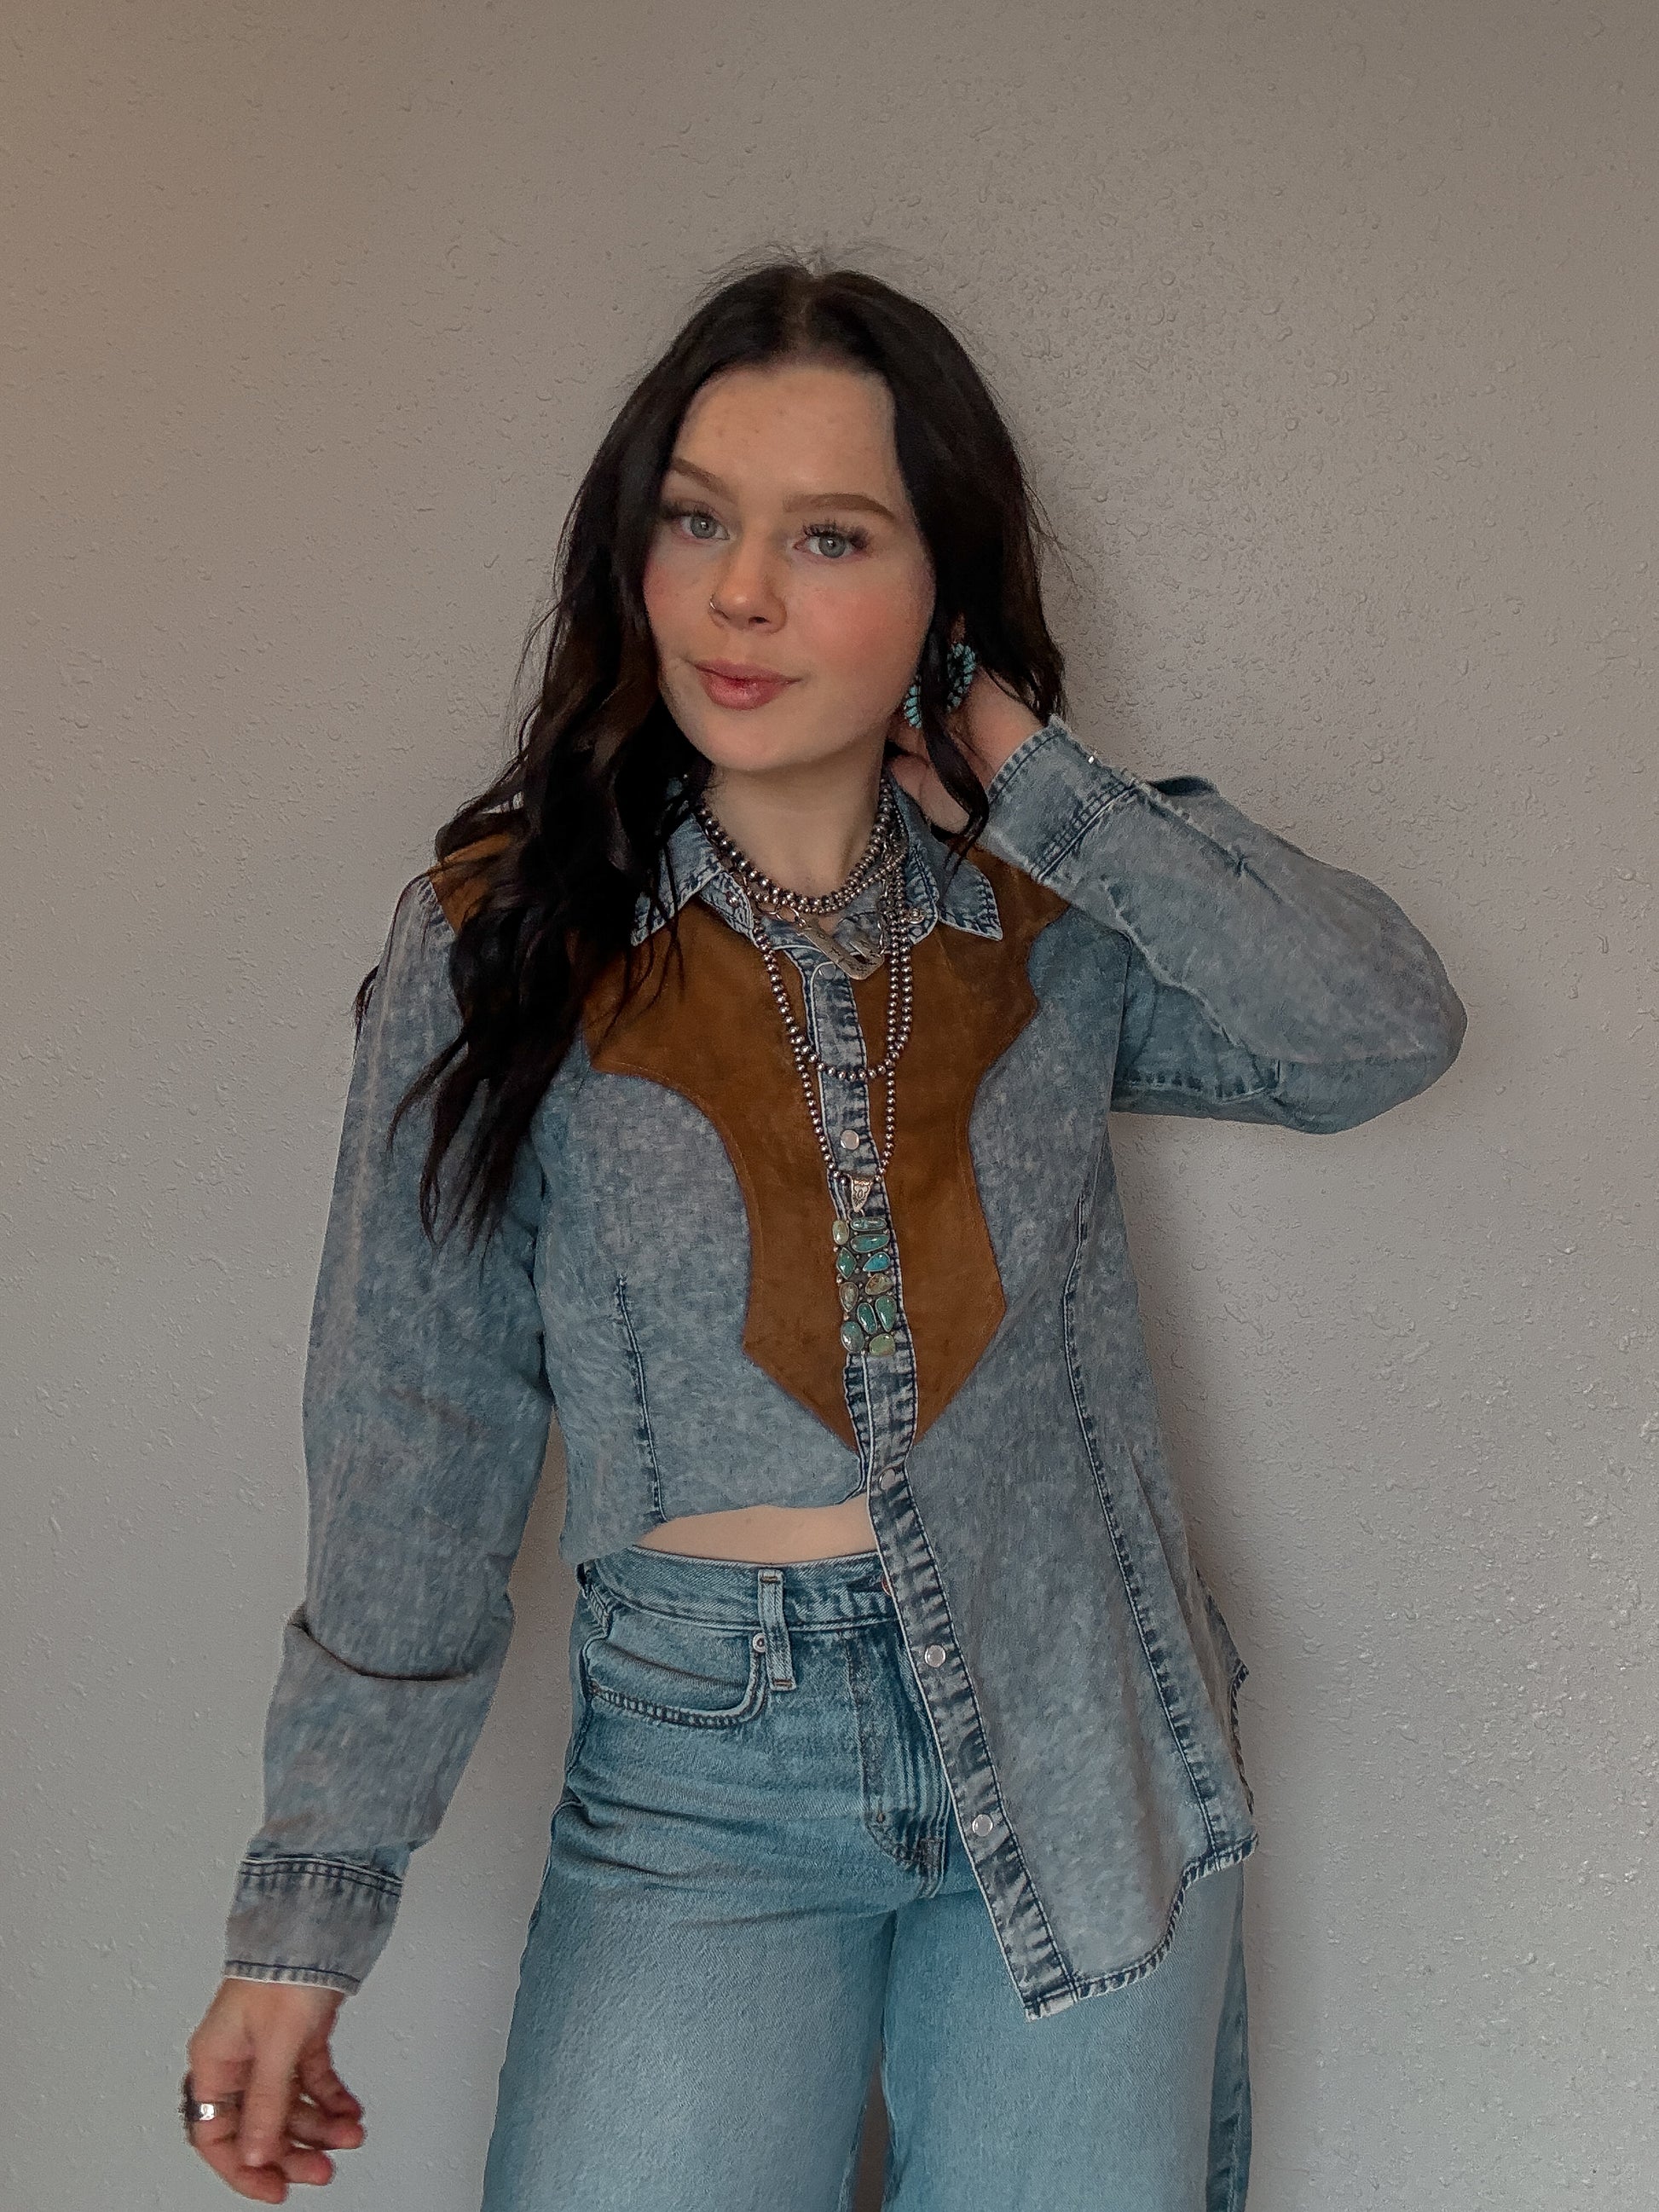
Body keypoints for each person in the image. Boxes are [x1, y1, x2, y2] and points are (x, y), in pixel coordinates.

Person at [181, 255, 1467, 2210]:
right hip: (701, 1767)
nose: (741, 595)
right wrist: (305, 1912)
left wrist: (1029, 772)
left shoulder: (1048, 917)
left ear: (943, 590)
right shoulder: (505, 939)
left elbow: (1377, 1030)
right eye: (698, 519)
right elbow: (413, 1436)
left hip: (1079, 1721)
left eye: (830, 536)